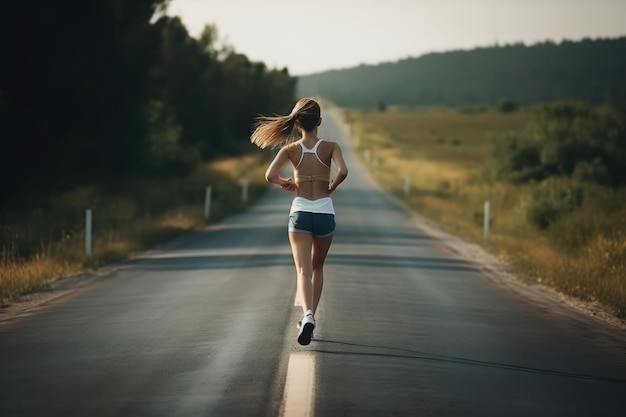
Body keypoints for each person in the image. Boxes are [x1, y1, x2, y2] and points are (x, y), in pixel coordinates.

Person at [251, 98, 348, 345]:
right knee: (318, 268)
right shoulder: (331, 146)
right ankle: (311, 316)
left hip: (301, 213)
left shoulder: (290, 150)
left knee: (303, 270)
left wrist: (288, 183)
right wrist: (332, 186)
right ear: (320, 122)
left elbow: (269, 175)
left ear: (297, 125)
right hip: (325, 213)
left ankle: (306, 317)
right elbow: (343, 171)